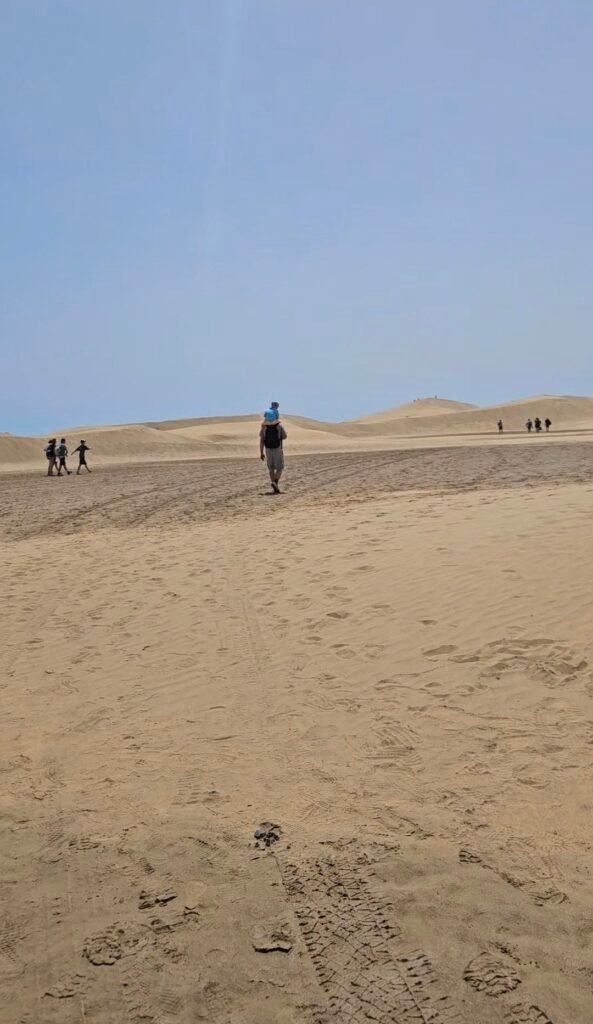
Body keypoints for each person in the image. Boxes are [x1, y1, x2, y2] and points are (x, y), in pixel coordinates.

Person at [259, 414, 287, 493]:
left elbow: (261, 441)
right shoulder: (279, 427)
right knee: (280, 468)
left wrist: (261, 452)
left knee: (271, 469)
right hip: (277, 449)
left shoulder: (264, 428)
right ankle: (275, 483)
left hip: (268, 449)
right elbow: (285, 436)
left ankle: (274, 484)